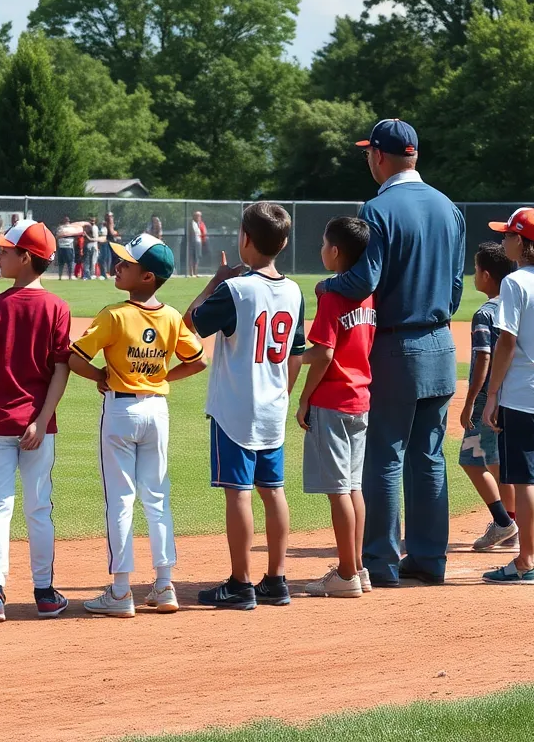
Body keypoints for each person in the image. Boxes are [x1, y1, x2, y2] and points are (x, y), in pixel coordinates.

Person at [319, 119, 465, 587]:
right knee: (429, 455)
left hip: (395, 346)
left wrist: (326, 286)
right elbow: (457, 290)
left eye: (368, 153)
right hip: (441, 342)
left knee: (384, 454)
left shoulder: (377, 208)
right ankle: (428, 559)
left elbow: (364, 280)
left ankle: (380, 563)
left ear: (380, 157)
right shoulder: (449, 208)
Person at [68, 234, 207, 616]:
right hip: (157, 410)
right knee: (157, 498)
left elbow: (75, 357)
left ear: (147, 277)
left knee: (121, 499)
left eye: (126, 264)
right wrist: (159, 379)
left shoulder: (114, 315)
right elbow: (198, 362)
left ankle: (119, 591)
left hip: (121, 410)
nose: (117, 267)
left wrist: (101, 377)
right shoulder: (172, 316)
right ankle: (164, 585)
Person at [185, 203, 306, 609]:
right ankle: (277, 579)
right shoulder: (294, 290)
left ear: (244, 239)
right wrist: (283, 394)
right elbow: (297, 353)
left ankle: (241, 583)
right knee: (273, 491)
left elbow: (191, 321)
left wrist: (214, 280)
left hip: (236, 407)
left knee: (238, 492)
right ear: (283, 243)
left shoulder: (236, 289)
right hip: (273, 406)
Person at [0, 220, 72, 624]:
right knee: (39, 507)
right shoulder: (57, 307)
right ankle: (44, 593)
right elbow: (61, 369)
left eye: (5, 250)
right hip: (38, 425)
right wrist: (43, 419)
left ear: (26, 258)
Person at [481, 207, 534, 586]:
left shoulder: (516, 283)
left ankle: (525, 563)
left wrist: (492, 393)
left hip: (522, 391)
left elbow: (507, 341)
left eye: (507, 236)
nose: (504, 242)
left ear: (521, 241)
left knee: (523, 480)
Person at [291, 217, 376, 598]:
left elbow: (323, 353)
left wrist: (302, 385)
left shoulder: (332, 297)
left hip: (333, 399)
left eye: (325, 244)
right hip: (360, 398)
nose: (321, 249)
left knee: (339, 490)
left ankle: (345, 574)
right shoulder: (367, 294)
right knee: (354, 487)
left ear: (336, 251)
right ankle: (357, 567)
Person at [459, 242, 518, 551]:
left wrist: (470, 401)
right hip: (513, 396)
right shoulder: (515, 304)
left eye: (474, 270)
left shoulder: (485, 313)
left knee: (471, 460)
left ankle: (503, 522)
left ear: (485, 274)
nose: (473, 276)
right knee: (498, 462)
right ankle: (513, 521)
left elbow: (483, 358)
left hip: (485, 398)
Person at [55, 216, 77, 280]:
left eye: (67, 221)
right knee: (64, 263)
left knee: (67, 263)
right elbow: (57, 236)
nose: (66, 222)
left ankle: (67, 276)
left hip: (67, 246)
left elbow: (75, 237)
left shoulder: (70, 228)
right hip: (64, 246)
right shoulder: (61, 228)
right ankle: (62, 276)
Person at [189, 211, 207, 277]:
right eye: (197, 216)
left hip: (199, 242)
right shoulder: (192, 223)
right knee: (191, 257)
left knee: (197, 257)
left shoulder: (201, 224)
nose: (198, 217)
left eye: (199, 216)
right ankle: (191, 273)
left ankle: (195, 273)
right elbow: (192, 232)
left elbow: (204, 232)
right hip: (192, 242)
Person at [101, 211, 119, 278]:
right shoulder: (109, 223)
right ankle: (110, 273)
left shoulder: (108, 223)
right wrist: (117, 233)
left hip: (110, 242)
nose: (111, 218)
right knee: (110, 259)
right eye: (110, 216)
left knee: (112, 259)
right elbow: (112, 232)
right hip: (110, 243)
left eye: (112, 216)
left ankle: (112, 273)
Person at [82, 216, 100, 281]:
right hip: (89, 246)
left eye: (93, 221)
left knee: (92, 261)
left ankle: (90, 275)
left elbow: (94, 238)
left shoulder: (94, 228)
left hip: (92, 245)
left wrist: (86, 235)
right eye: (91, 220)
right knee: (88, 261)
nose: (92, 222)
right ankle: (88, 275)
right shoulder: (89, 227)